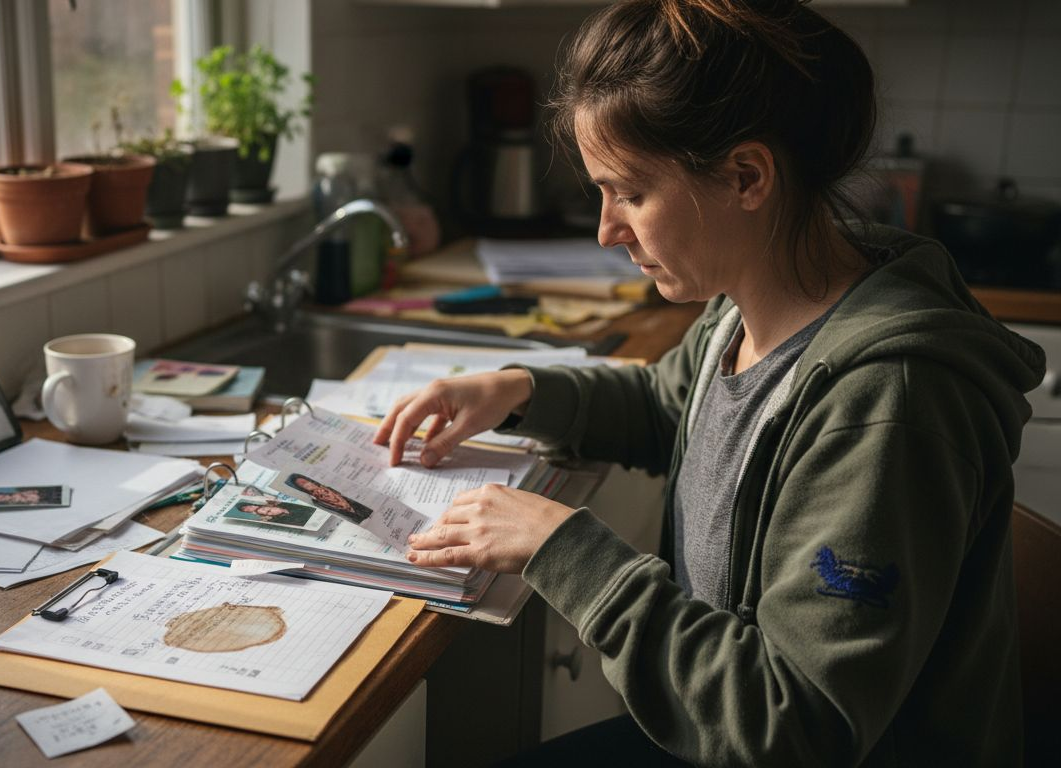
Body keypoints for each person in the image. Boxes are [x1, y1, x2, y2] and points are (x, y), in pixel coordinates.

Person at [374, 1, 1044, 764]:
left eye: (629, 192)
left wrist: (565, 550)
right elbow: (674, 405)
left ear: (746, 176)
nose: (606, 230)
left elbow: (794, 728)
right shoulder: (751, 302)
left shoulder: (887, 401)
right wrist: (521, 389)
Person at [286, 474, 373, 524]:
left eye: (306, 481)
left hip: (364, 509)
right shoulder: (316, 501)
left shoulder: (328, 487)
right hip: (358, 520)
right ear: (301, 488)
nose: (308, 483)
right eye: (303, 484)